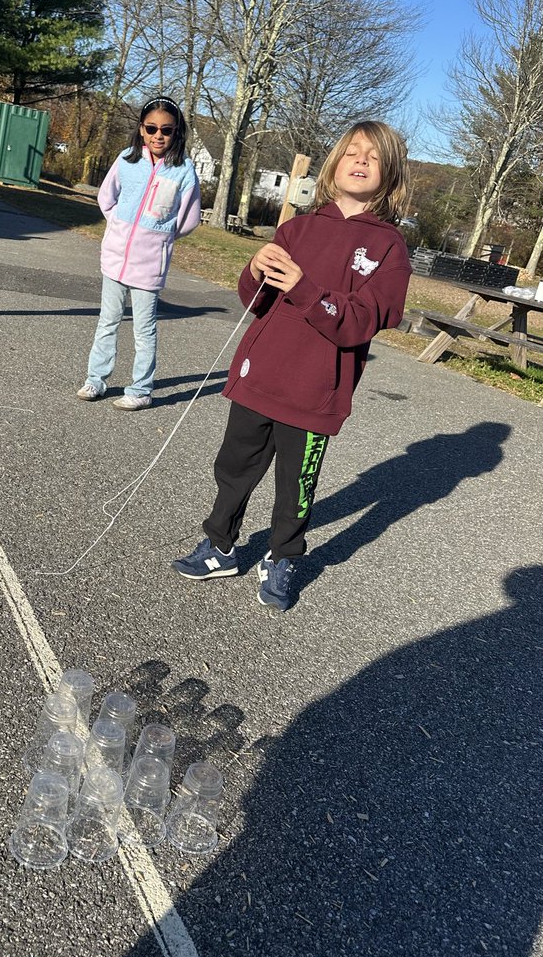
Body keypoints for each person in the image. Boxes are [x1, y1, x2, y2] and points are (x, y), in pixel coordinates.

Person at [171, 120, 412, 612]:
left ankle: (282, 557)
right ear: (334, 164)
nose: (361, 160)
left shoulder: (389, 248)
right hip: (259, 375)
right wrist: (254, 271)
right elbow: (254, 302)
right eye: (352, 152)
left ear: (389, 175)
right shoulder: (296, 228)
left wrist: (304, 288)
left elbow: (361, 322)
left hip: (315, 392)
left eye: (373, 156)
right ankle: (220, 546)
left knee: (295, 486)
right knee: (233, 467)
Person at [76, 97, 201, 410]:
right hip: (116, 255)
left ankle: (141, 389)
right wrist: (119, 223)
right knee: (108, 320)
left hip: (149, 263)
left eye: (166, 130)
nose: (158, 135)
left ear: (177, 133)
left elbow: (189, 218)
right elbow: (107, 197)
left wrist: (162, 236)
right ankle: (96, 380)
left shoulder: (183, 171)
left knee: (144, 329)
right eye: (151, 128)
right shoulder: (127, 159)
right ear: (142, 130)